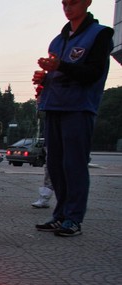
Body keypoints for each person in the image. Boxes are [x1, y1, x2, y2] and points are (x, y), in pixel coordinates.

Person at [33, 0, 113, 237]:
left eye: (73, 2)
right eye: (64, 3)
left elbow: (94, 73)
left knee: (74, 164)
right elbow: (57, 72)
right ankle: (60, 215)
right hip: (54, 106)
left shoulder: (100, 34)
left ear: (87, 2)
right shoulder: (58, 40)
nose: (68, 7)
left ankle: (74, 219)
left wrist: (62, 66)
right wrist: (44, 78)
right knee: (55, 165)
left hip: (79, 107)